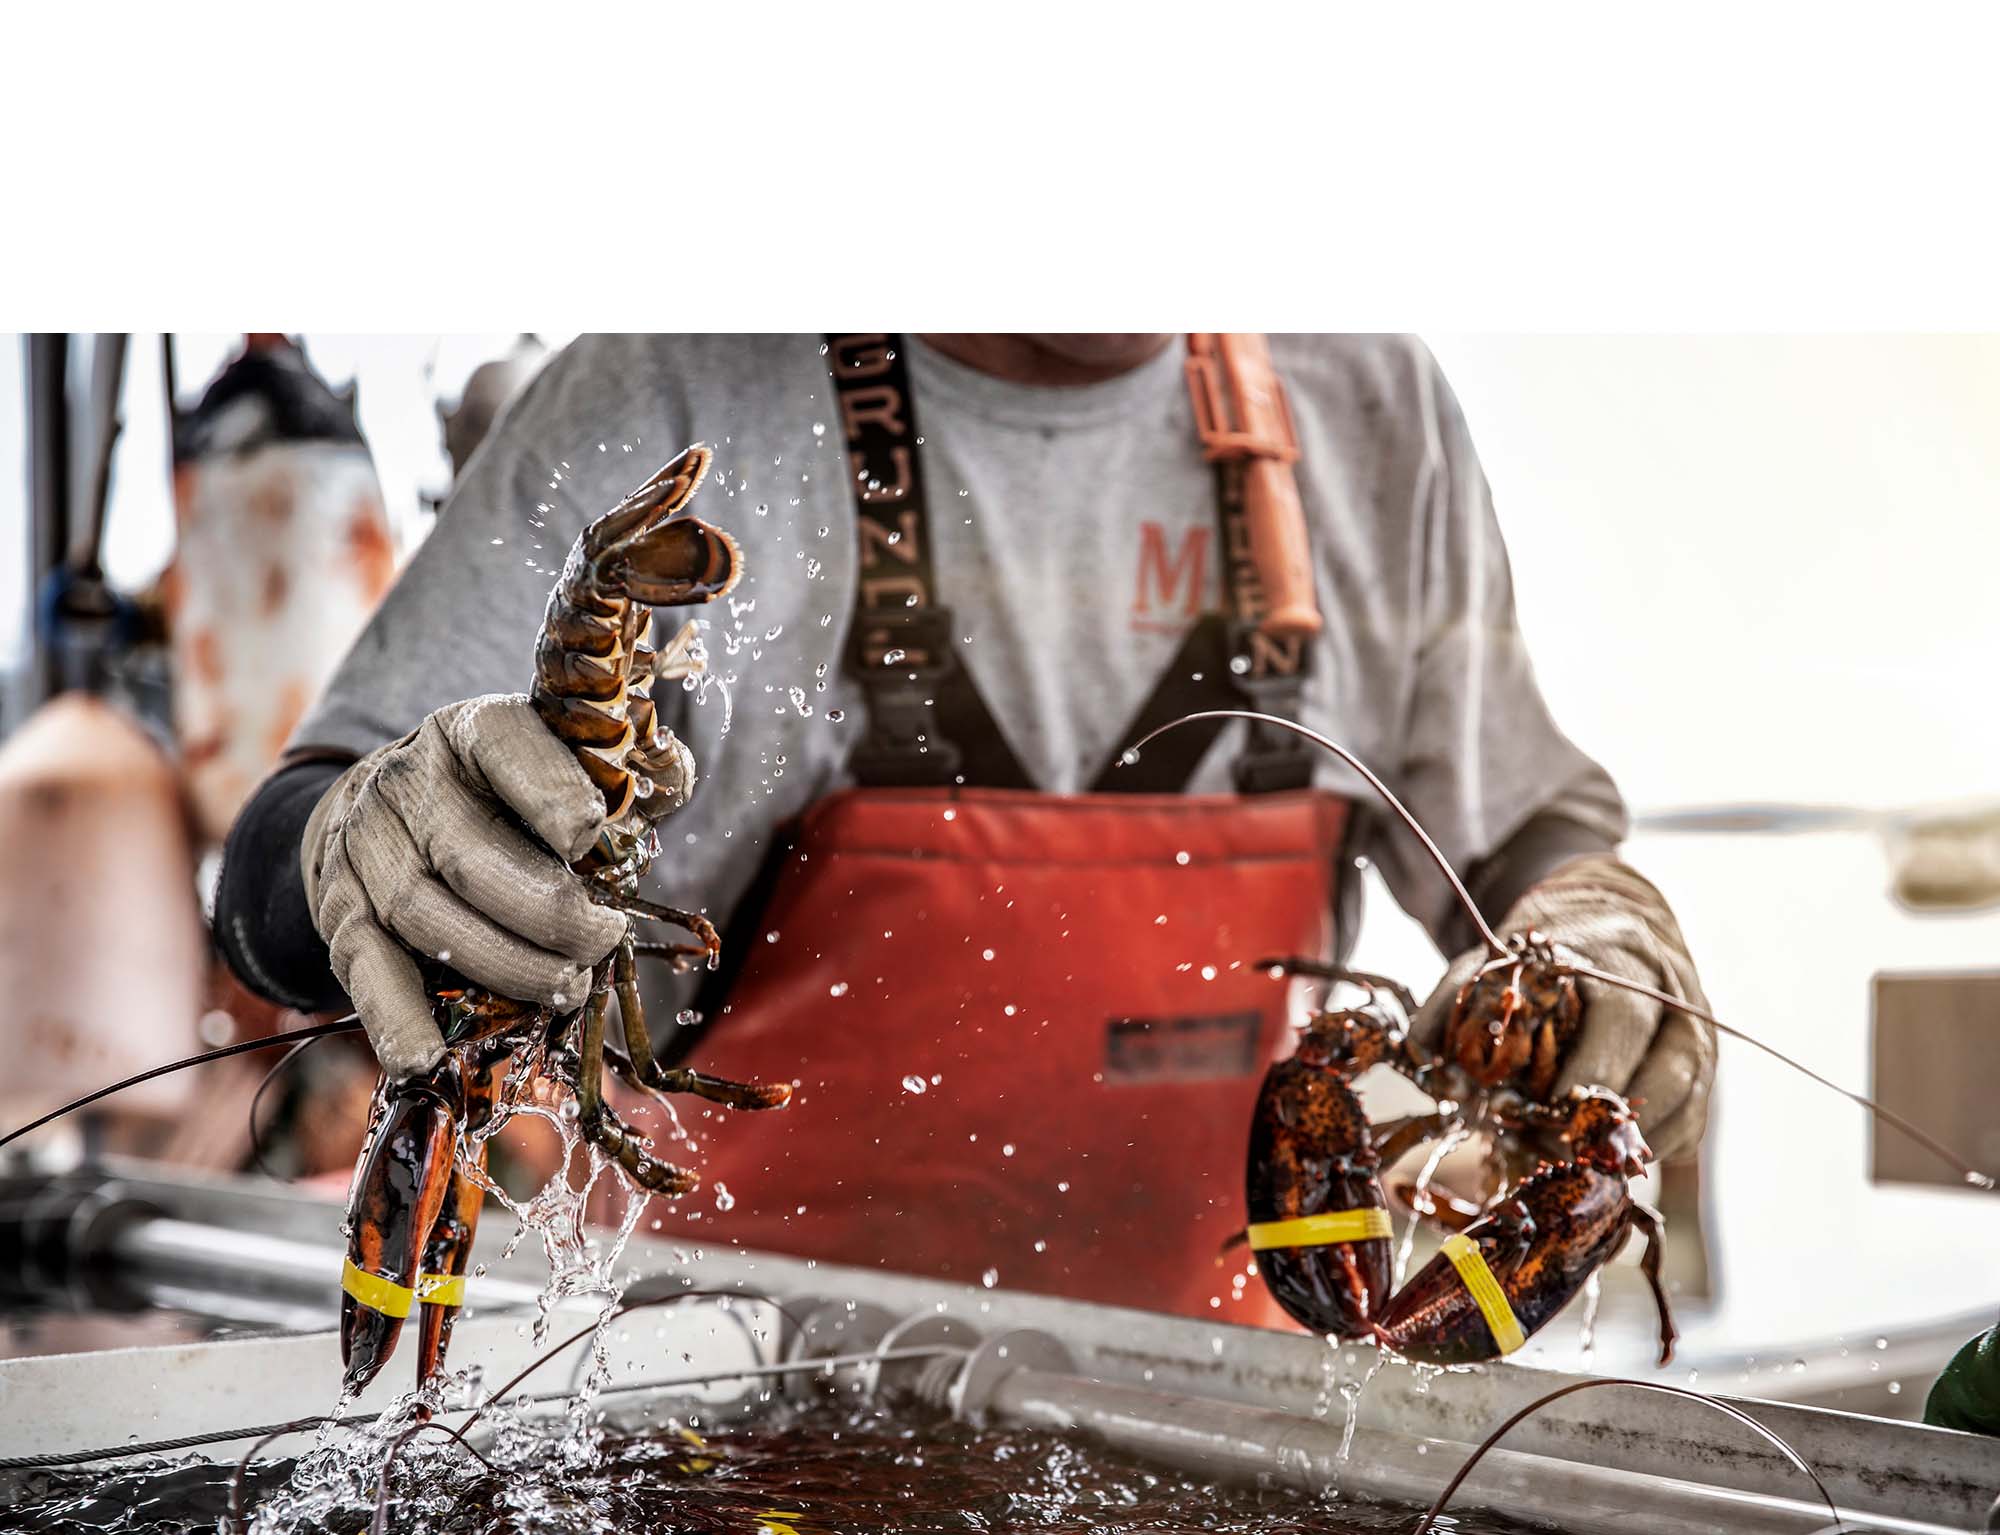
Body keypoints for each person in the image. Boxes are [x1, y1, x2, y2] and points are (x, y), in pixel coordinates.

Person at [214, 333, 1713, 1326]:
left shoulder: (1369, 406)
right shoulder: (668, 389)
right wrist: (355, 842)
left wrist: (1600, 924)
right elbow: (275, 875)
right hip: (699, 1421)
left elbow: (1524, 847)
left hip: (1232, 1418)